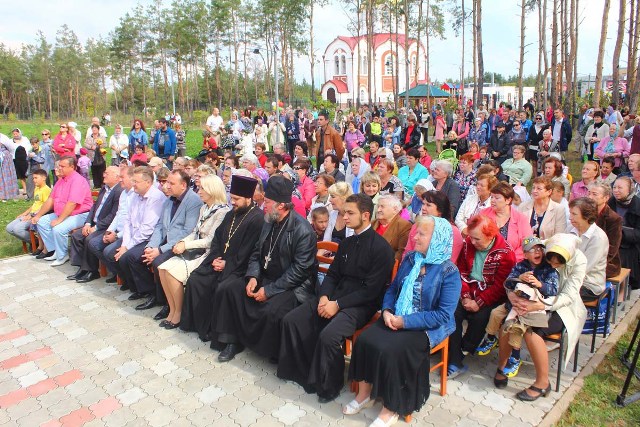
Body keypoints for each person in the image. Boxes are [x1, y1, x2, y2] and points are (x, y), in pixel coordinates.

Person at [278, 193, 395, 403]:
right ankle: (303, 372)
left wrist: (337, 305)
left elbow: (371, 291)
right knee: (292, 320)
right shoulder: (347, 243)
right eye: (344, 212)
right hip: (334, 296)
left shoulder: (382, 249)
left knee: (329, 336)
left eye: (350, 213)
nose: (345, 217)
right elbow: (333, 275)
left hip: (361, 305)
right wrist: (324, 297)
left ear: (365, 215)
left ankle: (329, 386)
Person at [346, 215, 461, 423]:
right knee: (364, 340)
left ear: (437, 239)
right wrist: (387, 310)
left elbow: (443, 315)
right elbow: (392, 289)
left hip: (427, 326)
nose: (414, 238)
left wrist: (405, 322)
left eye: (421, 234)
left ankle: (391, 408)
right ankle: (365, 395)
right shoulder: (410, 259)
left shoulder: (449, 272)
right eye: (416, 233)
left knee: (394, 351)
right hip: (397, 315)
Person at [212, 175, 317, 363]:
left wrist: (269, 291)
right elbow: (256, 253)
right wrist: (252, 276)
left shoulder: (303, 231)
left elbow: (300, 271)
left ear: (281, 206)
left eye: (267, 202)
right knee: (230, 289)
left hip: (291, 286)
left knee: (271, 310)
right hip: (265, 276)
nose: (264, 206)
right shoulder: (269, 221)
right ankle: (232, 341)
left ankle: (269, 351)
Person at [496, 234, 586, 401]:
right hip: (528, 298)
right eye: (550, 260)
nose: (552, 265)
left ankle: (543, 383)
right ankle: (502, 366)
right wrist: (511, 295)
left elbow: (568, 296)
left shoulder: (579, 261)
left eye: (558, 263)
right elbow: (514, 278)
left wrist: (541, 305)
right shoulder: (541, 248)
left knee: (533, 332)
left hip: (561, 307)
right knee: (507, 324)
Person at [179, 176, 264, 342]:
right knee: (196, 278)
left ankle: (217, 334)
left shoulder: (257, 219)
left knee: (222, 287)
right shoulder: (231, 214)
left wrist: (227, 263)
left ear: (248, 198)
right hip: (220, 261)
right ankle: (197, 325)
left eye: (237, 199)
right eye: (232, 198)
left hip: (239, 268)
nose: (233, 202)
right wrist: (217, 258)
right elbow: (217, 238)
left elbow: (249, 251)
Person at [154, 175, 230, 329]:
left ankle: (179, 313)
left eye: (202, 188)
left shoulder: (222, 212)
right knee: (162, 269)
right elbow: (195, 232)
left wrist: (186, 245)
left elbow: (210, 240)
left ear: (212, 190)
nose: (199, 191)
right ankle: (172, 309)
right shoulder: (204, 208)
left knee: (172, 273)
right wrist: (182, 242)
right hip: (195, 249)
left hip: (207, 254)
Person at [477, 237, 559, 379]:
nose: (537, 252)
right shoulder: (520, 266)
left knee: (515, 327)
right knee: (495, 313)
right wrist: (519, 278)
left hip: (532, 308)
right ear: (525, 254)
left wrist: (540, 285)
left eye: (539, 249)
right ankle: (490, 338)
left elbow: (553, 290)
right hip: (513, 304)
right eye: (533, 250)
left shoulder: (548, 269)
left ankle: (515, 357)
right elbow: (508, 283)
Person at [448, 215, 517, 377]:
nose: (472, 241)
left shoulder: (506, 253)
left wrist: (479, 302)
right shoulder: (468, 244)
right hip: (468, 291)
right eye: (470, 237)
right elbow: (461, 271)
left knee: (480, 317)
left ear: (490, 236)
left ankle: (463, 350)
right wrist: (465, 296)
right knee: (453, 313)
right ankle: (455, 358)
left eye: (477, 239)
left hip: (490, 295)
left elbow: (501, 286)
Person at [132, 170, 203, 316]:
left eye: (171, 183)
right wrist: (151, 246)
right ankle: (152, 294)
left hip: (180, 245)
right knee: (136, 257)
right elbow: (159, 226)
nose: (167, 186)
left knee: (158, 262)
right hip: (164, 242)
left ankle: (167, 303)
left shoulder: (193, 201)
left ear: (183, 185)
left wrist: (160, 250)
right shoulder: (169, 200)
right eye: (167, 182)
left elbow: (187, 232)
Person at [111, 167, 166, 297]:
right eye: (133, 181)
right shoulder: (135, 196)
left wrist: (128, 246)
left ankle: (147, 291)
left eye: (136, 181)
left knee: (129, 257)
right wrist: (125, 244)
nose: (133, 184)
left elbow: (147, 229)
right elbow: (128, 222)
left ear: (148, 182)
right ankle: (135, 286)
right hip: (134, 237)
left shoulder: (156, 198)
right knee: (113, 254)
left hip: (150, 239)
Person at [31, 156, 93, 265]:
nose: (59, 168)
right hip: (63, 213)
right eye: (59, 166)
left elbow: (72, 203)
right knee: (41, 222)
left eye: (63, 166)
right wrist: (38, 215)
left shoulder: (78, 180)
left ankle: (62, 255)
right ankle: (55, 250)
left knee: (59, 229)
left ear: (72, 167)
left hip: (80, 214)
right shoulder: (61, 180)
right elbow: (51, 200)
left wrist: (59, 220)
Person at [67, 167, 123, 283]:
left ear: (116, 177)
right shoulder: (104, 188)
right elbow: (94, 206)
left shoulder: (119, 191)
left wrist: (96, 227)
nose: (103, 175)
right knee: (76, 236)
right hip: (94, 223)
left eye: (107, 173)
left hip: (106, 226)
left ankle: (92, 271)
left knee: (90, 239)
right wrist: (88, 223)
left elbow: (113, 215)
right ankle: (82, 268)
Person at [90, 166, 135, 284]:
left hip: (127, 234)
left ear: (131, 178)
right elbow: (118, 214)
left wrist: (116, 236)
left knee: (108, 252)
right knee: (94, 244)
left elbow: (132, 223)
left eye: (122, 177)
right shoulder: (124, 193)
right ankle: (119, 273)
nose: (120, 180)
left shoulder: (135, 195)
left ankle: (126, 278)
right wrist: (109, 230)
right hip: (116, 231)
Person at [479, 182, 533, 262]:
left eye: (497, 198)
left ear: (508, 200)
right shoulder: (483, 214)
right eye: (492, 197)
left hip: (512, 262)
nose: (492, 200)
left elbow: (527, 243)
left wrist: (510, 258)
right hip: (485, 260)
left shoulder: (521, 219)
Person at [568, 197, 609, 301]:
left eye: (574, 214)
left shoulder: (598, 238)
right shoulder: (570, 229)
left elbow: (584, 268)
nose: (570, 217)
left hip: (589, 284)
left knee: (555, 294)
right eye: (570, 213)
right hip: (568, 277)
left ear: (586, 216)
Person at [6, 169, 50, 250]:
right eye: (33, 178)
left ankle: (38, 242)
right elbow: (35, 204)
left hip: (37, 216)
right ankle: (33, 241)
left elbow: (45, 206)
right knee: (9, 228)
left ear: (44, 178)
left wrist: (31, 215)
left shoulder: (46, 190)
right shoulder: (37, 188)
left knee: (17, 229)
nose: (34, 180)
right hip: (31, 214)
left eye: (36, 178)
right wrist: (24, 213)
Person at [609, 177, 640, 289]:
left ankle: (622, 289)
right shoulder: (610, 203)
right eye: (614, 187)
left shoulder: (638, 205)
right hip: (611, 241)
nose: (616, 190)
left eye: (620, 188)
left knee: (622, 256)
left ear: (629, 190)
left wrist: (621, 231)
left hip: (631, 245)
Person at [587, 182, 622, 278]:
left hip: (606, 261)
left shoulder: (614, 218)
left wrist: (591, 260)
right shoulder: (584, 213)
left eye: (594, 194)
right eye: (589, 193)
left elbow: (612, 248)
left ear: (606, 198)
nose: (590, 197)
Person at [372, 195, 412, 261]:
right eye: (378, 206)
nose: (378, 210)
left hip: (387, 264)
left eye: (382, 206)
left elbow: (401, 253)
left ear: (395, 209)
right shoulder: (372, 223)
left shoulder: (404, 226)